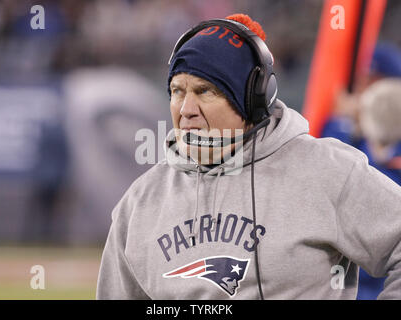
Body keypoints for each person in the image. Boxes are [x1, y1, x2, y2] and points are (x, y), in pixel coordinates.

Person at [96, 14, 401, 300]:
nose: (186, 109)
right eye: (177, 91)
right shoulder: (139, 202)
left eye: (204, 91)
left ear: (252, 101)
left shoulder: (327, 171)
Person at [321, 44, 401, 300]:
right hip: (343, 276)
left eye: (375, 84)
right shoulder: (350, 134)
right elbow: (322, 176)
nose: (366, 94)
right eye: (363, 84)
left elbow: (376, 198)